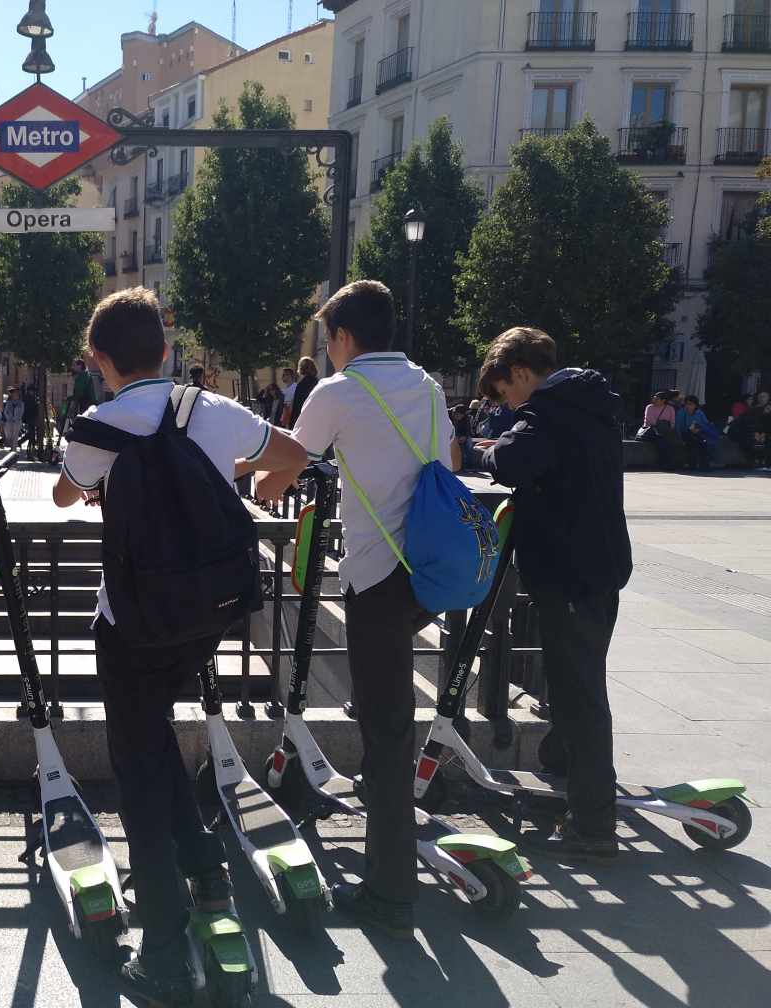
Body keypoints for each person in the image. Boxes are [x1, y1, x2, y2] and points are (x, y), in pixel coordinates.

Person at [51, 287, 307, 1008]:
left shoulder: (96, 427)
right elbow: (290, 455)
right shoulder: (211, 410)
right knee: (154, 735)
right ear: (166, 350)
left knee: (137, 766)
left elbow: (69, 496)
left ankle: (162, 947)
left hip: (131, 623)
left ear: (100, 359)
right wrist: (230, 497)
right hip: (208, 614)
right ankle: (206, 869)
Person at [257, 279, 458, 940]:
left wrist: (252, 476)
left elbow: (281, 466)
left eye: (329, 339)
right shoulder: (427, 386)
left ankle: (391, 892)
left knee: (389, 732)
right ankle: (391, 860)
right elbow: (448, 460)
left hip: (377, 579)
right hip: (428, 575)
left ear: (343, 337)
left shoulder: (339, 391)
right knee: (387, 717)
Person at [475, 327, 633, 860]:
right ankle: (562, 764)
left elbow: (516, 460)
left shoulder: (549, 411)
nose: (507, 405)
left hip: (569, 570)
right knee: (579, 677)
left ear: (519, 372)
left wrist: (486, 452)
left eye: (504, 392)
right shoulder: (586, 404)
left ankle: (594, 825)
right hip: (601, 566)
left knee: (581, 692)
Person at [677, 394, 720, 470]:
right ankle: (692, 464)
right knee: (693, 442)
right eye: (686, 404)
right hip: (685, 434)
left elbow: (706, 424)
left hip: (698, 434)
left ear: (695, 405)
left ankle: (704, 465)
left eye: (690, 404)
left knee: (702, 443)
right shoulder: (681, 412)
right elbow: (679, 427)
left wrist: (699, 430)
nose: (688, 406)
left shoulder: (700, 413)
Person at [285, 356, 320, 428]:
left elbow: (296, 406)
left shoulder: (301, 385)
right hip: (315, 420)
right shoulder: (318, 383)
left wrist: (292, 424)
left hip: (302, 421)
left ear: (301, 369)